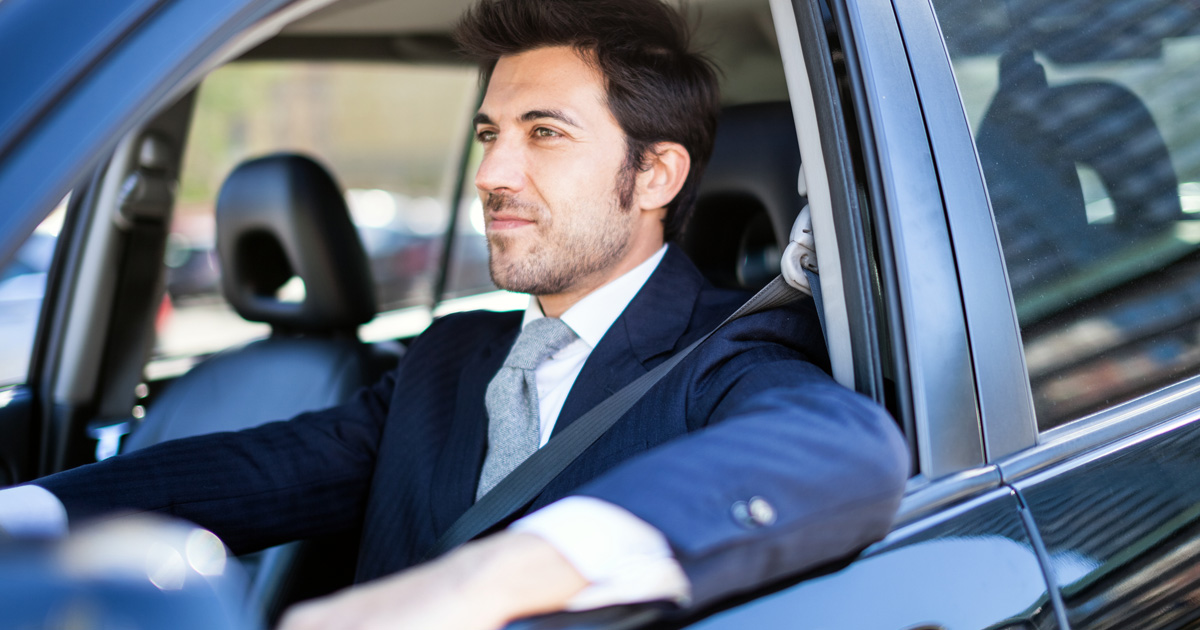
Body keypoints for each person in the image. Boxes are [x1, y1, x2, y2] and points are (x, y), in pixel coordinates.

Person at [0, 0, 910, 628]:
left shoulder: (725, 352)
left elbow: (846, 448)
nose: (492, 175)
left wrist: (485, 582)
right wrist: (29, 517)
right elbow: (261, 466)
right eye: (489, 134)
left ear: (656, 175)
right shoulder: (451, 355)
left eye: (544, 134)